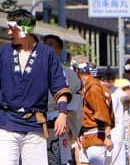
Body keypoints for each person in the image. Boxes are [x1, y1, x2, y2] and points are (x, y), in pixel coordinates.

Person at [0, 8, 71, 165]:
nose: (8, 33)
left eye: (12, 28)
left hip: (35, 124)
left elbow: (59, 87)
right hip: (6, 123)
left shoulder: (47, 54)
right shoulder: (4, 52)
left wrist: (62, 114)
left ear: (25, 29)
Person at [43, 34, 81, 165]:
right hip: (35, 123)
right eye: (45, 44)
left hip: (59, 123)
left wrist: (67, 121)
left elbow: (75, 103)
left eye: (50, 44)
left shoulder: (69, 74)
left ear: (59, 50)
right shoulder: (33, 71)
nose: (46, 47)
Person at [73, 58, 112, 165]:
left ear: (77, 71)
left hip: (96, 136)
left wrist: (107, 137)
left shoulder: (93, 87)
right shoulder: (85, 87)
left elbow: (103, 113)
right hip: (86, 136)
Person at [111, 76, 130, 165]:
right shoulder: (116, 94)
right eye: (126, 88)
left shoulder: (126, 100)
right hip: (116, 131)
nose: (129, 90)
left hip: (123, 132)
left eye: (129, 88)